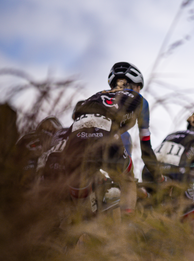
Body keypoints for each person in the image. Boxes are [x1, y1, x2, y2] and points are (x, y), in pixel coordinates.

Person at [63, 61, 161, 216]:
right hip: (105, 137)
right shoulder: (139, 99)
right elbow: (146, 150)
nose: (139, 90)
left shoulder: (94, 96)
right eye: (139, 87)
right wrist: (158, 178)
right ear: (135, 85)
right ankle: (127, 230)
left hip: (74, 142)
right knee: (127, 180)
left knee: (81, 216)